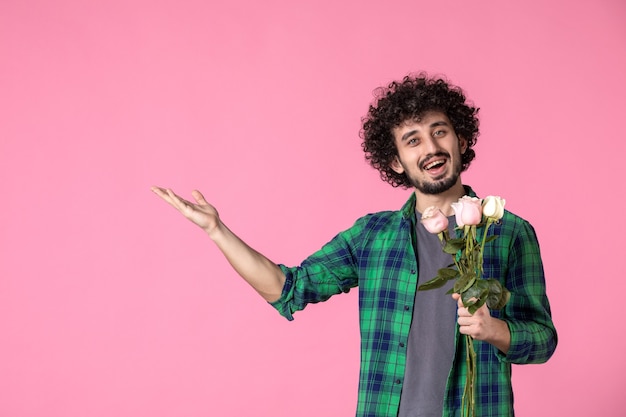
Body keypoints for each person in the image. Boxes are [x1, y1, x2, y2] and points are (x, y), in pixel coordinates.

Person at [151, 74, 557, 417]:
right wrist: (217, 230)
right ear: (396, 161)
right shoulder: (372, 237)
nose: (430, 148)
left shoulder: (508, 231)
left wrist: (497, 330)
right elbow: (286, 288)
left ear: (461, 139)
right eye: (412, 140)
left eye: (439, 131)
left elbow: (542, 338)